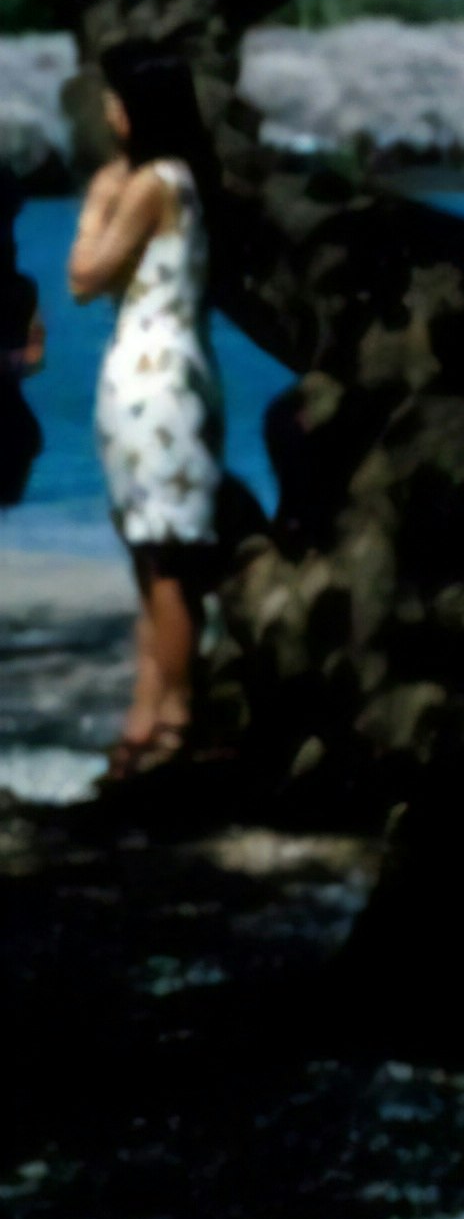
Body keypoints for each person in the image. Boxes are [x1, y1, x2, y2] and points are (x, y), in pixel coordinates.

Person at [69, 51, 226, 790]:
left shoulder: (149, 186)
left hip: (152, 383)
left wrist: (99, 200)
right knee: (153, 555)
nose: (105, 113)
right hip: (162, 378)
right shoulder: (186, 182)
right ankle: (150, 709)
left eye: (114, 99)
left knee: (163, 558)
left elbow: (83, 277)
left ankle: (173, 718)